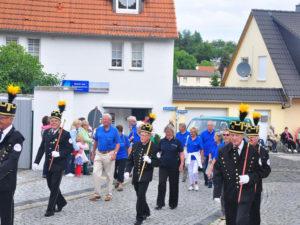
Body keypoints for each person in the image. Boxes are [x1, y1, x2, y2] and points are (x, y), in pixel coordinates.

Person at [213, 104, 261, 225]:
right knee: (231, 221)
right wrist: (217, 193)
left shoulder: (252, 151)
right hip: (229, 194)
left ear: (243, 135)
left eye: (237, 135)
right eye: (232, 135)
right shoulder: (222, 151)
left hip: (246, 194)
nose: (234, 138)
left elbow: (261, 172)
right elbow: (218, 173)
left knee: (241, 221)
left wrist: (249, 177)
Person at [33, 101, 73, 217]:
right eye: (52, 120)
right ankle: (61, 202)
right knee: (50, 185)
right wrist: (36, 161)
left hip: (58, 164)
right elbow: (41, 148)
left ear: (60, 122)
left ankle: (50, 210)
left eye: (56, 121)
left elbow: (69, 149)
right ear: (49, 121)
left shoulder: (65, 134)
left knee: (54, 186)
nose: (53, 122)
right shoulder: (46, 132)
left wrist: (59, 154)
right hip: (48, 164)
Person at [0, 85, 25, 225]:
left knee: (6, 215)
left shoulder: (16, 137)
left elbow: (11, 161)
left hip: (6, 182)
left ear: (11, 119)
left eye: (1, 118)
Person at [127, 123, 159, 225]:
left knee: (140, 196)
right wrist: (127, 171)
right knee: (139, 195)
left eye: (145, 135)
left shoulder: (154, 147)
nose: (142, 136)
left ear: (149, 136)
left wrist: (150, 160)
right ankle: (147, 211)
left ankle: (139, 218)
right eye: (141, 134)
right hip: (136, 174)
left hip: (146, 175)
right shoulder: (136, 145)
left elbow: (158, 162)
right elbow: (130, 160)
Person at [246, 112, 271, 225]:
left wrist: (257, 175)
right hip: (244, 186)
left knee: (255, 212)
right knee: (243, 210)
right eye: (249, 136)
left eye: (253, 136)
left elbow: (267, 169)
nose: (251, 138)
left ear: (257, 137)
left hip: (256, 186)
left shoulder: (263, 151)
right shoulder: (243, 150)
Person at [90, 113, 120, 202]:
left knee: (109, 175)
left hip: (109, 153)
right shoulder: (98, 129)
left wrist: (115, 153)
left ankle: (109, 194)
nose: (105, 121)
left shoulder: (114, 130)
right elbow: (96, 141)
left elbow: (118, 143)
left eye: (106, 120)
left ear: (110, 121)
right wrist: (93, 152)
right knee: (95, 173)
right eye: (103, 120)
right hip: (99, 153)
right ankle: (97, 194)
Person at [155, 124, 184, 210]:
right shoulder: (162, 141)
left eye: (169, 132)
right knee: (161, 184)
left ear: (172, 132)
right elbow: (158, 152)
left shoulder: (177, 142)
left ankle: (173, 204)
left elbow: (181, 153)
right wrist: (157, 156)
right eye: (166, 131)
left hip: (174, 166)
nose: (167, 133)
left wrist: (182, 164)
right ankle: (160, 204)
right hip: (163, 166)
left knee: (174, 185)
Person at [186, 127, 203, 191]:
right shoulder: (188, 138)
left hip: (196, 158)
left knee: (195, 172)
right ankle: (191, 184)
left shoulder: (199, 139)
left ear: (195, 132)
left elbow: (201, 149)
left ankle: (196, 184)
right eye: (190, 132)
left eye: (193, 132)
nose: (191, 133)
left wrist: (201, 158)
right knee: (190, 172)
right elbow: (186, 147)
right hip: (189, 157)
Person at [114, 125, 130, 191]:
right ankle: (117, 179)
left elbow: (129, 146)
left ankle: (120, 184)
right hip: (114, 157)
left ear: (121, 131)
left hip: (123, 156)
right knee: (113, 171)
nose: (117, 133)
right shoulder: (113, 138)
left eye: (118, 132)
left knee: (121, 170)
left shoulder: (125, 137)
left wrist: (128, 155)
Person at [200, 120, 216, 187]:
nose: (209, 126)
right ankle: (206, 180)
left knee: (213, 168)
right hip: (205, 154)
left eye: (211, 125)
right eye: (208, 125)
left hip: (213, 154)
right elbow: (201, 145)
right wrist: (201, 155)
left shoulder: (216, 133)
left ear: (213, 126)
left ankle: (211, 181)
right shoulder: (203, 134)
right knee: (204, 168)